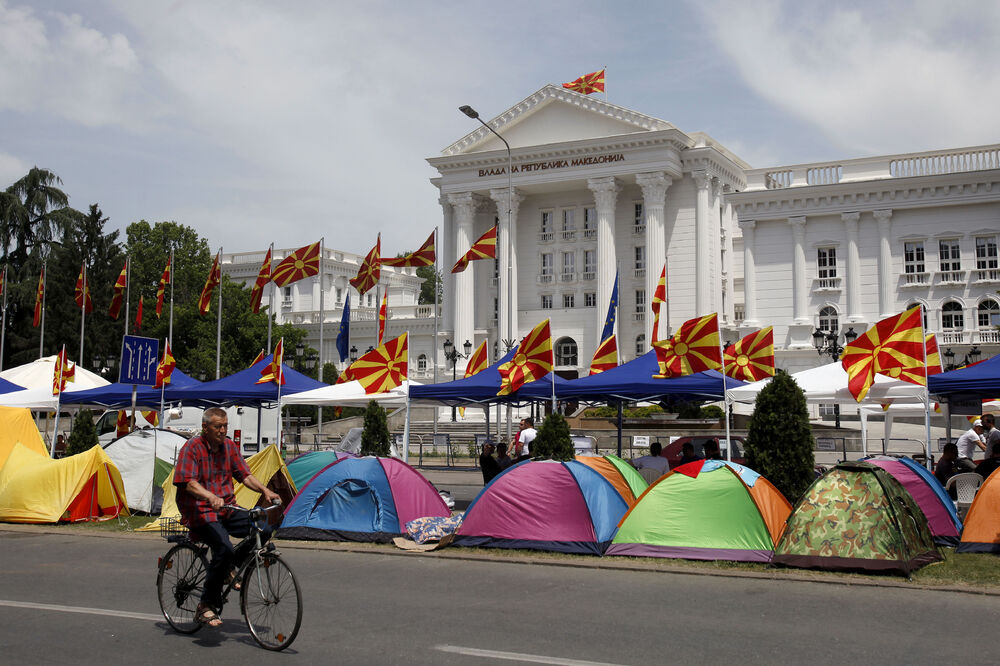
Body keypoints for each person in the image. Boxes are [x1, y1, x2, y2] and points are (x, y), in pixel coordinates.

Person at [174, 407, 281, 629]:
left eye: (225, 426)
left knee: (264, 528)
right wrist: (210, 496)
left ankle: (227, 568)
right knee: (224, 548)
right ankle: (205, 605)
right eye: (217, 427)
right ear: (205, 427)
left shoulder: (229, 447)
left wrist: (265, 491)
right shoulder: (192, 448)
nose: (222, 431)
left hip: (227, 508)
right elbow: (189, 483)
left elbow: (245, 475)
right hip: (199, 509)